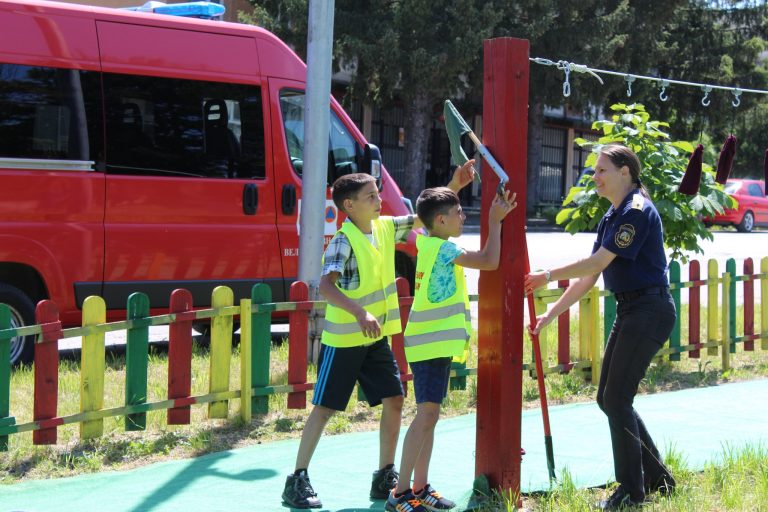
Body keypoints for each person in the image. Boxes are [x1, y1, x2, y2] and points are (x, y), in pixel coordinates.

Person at [281, 161, 476, 509]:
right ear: (349, 206)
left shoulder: (385, 228)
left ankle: (385, 475)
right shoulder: (343, 241)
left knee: (395, 399)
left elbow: (425, 218)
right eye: (370, 195)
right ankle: (297, 479)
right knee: (325, 409)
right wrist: (359, 311)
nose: (378, 199)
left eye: (377, 193)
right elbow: (325, 285)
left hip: (375, 339)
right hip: (344, 342)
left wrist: (454, 185)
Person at [524, 144, 676, 511]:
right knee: (607, 398)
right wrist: (552, 314)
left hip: (649, 310)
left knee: (616, 399)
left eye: (602, 170)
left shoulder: (635, 211)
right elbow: (592, 275)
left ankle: (631, 492)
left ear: (625, 172)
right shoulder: (613, 215)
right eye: (595, 171)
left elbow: (598, 260)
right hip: (632, 310)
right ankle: (658, 479)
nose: (595, 177)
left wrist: (547, 275)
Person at [385, 186, 516, 512]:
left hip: (432, 343)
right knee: (427, 415)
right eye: (458, 212)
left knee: (429, 416)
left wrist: (454, 184)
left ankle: (420, 487)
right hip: (428, 345)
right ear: (441, 220)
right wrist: (495, 221)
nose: (463, 215)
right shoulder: (443, 249)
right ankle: (399, 494)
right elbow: (489, 261)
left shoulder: (431, 242)